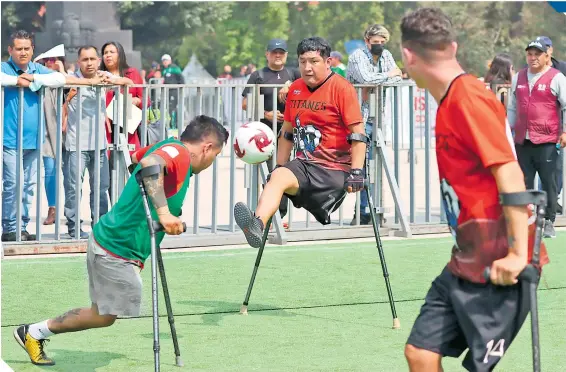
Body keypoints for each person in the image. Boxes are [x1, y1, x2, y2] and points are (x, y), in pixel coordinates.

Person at [399, 8, 550, 372]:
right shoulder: (449, 100)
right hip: (466, 257)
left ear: (407, 55)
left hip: (500, 262)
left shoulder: (468, 98)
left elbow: (510, 174)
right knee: (420, 353)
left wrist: (517, 255)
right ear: (452, 46)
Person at [13, 115, 229, 366]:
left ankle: (34, 332)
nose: (213, 161)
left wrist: (147, 193)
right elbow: (149, 161)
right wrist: (163, 212)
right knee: (104, 316)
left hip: (117, 245)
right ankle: (34, 332)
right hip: (115, 248)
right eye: (216, 155)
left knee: (103, 312)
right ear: (207, 148)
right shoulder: (178, 152)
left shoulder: (171, 146)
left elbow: (138, 156)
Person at [233, 36, 366, 248]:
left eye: (314, 61)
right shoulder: (294, 89)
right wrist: (278, 165)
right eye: (303, 61)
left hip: (334, 170)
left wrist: (357, 171)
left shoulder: (342, 88)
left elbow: (358, 134)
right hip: (303, 165)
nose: (307, 67)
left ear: (328, 62)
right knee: (276, 177)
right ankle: (256, 226)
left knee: (280, 178)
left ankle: (262, 219)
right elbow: (287, 133)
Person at [1, 30, 102, 242]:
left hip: (35, 139)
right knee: (12, 183)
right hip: (10, 139)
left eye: (27, 48)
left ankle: (22, 227)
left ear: (32, 50)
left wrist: (34, 78)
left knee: (28, 186)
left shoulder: (37, 68)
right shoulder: (4, 67)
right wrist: (18, 82)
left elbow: (59, 78)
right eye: (18, 48)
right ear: (10, 50)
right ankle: (9, 227)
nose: (23, 52)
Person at [507, 39, 566, 239]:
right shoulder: (519, 78)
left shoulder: (557, 78)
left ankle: (549, 221)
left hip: (548, 140)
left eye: (537, 54)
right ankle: (526, 221)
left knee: (549, 182)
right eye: (529, 54)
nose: (532, 58)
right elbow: (513, 107)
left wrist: (564, 131)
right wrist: (509, 131)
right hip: (523, 140)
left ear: (547, 56)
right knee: (524, 182)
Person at [346, 24, 402, 225]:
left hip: (377, 119)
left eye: (381, 42)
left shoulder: (386, 55)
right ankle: (362, 212)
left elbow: (399, 77)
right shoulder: (357, 56)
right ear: (367, 41)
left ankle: (370, 211)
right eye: (375, 42)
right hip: (356, 119)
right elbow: (366, 78)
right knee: (361, 167)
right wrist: (387, 76)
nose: (378, 45)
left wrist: (382, 80)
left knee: (374, 167)